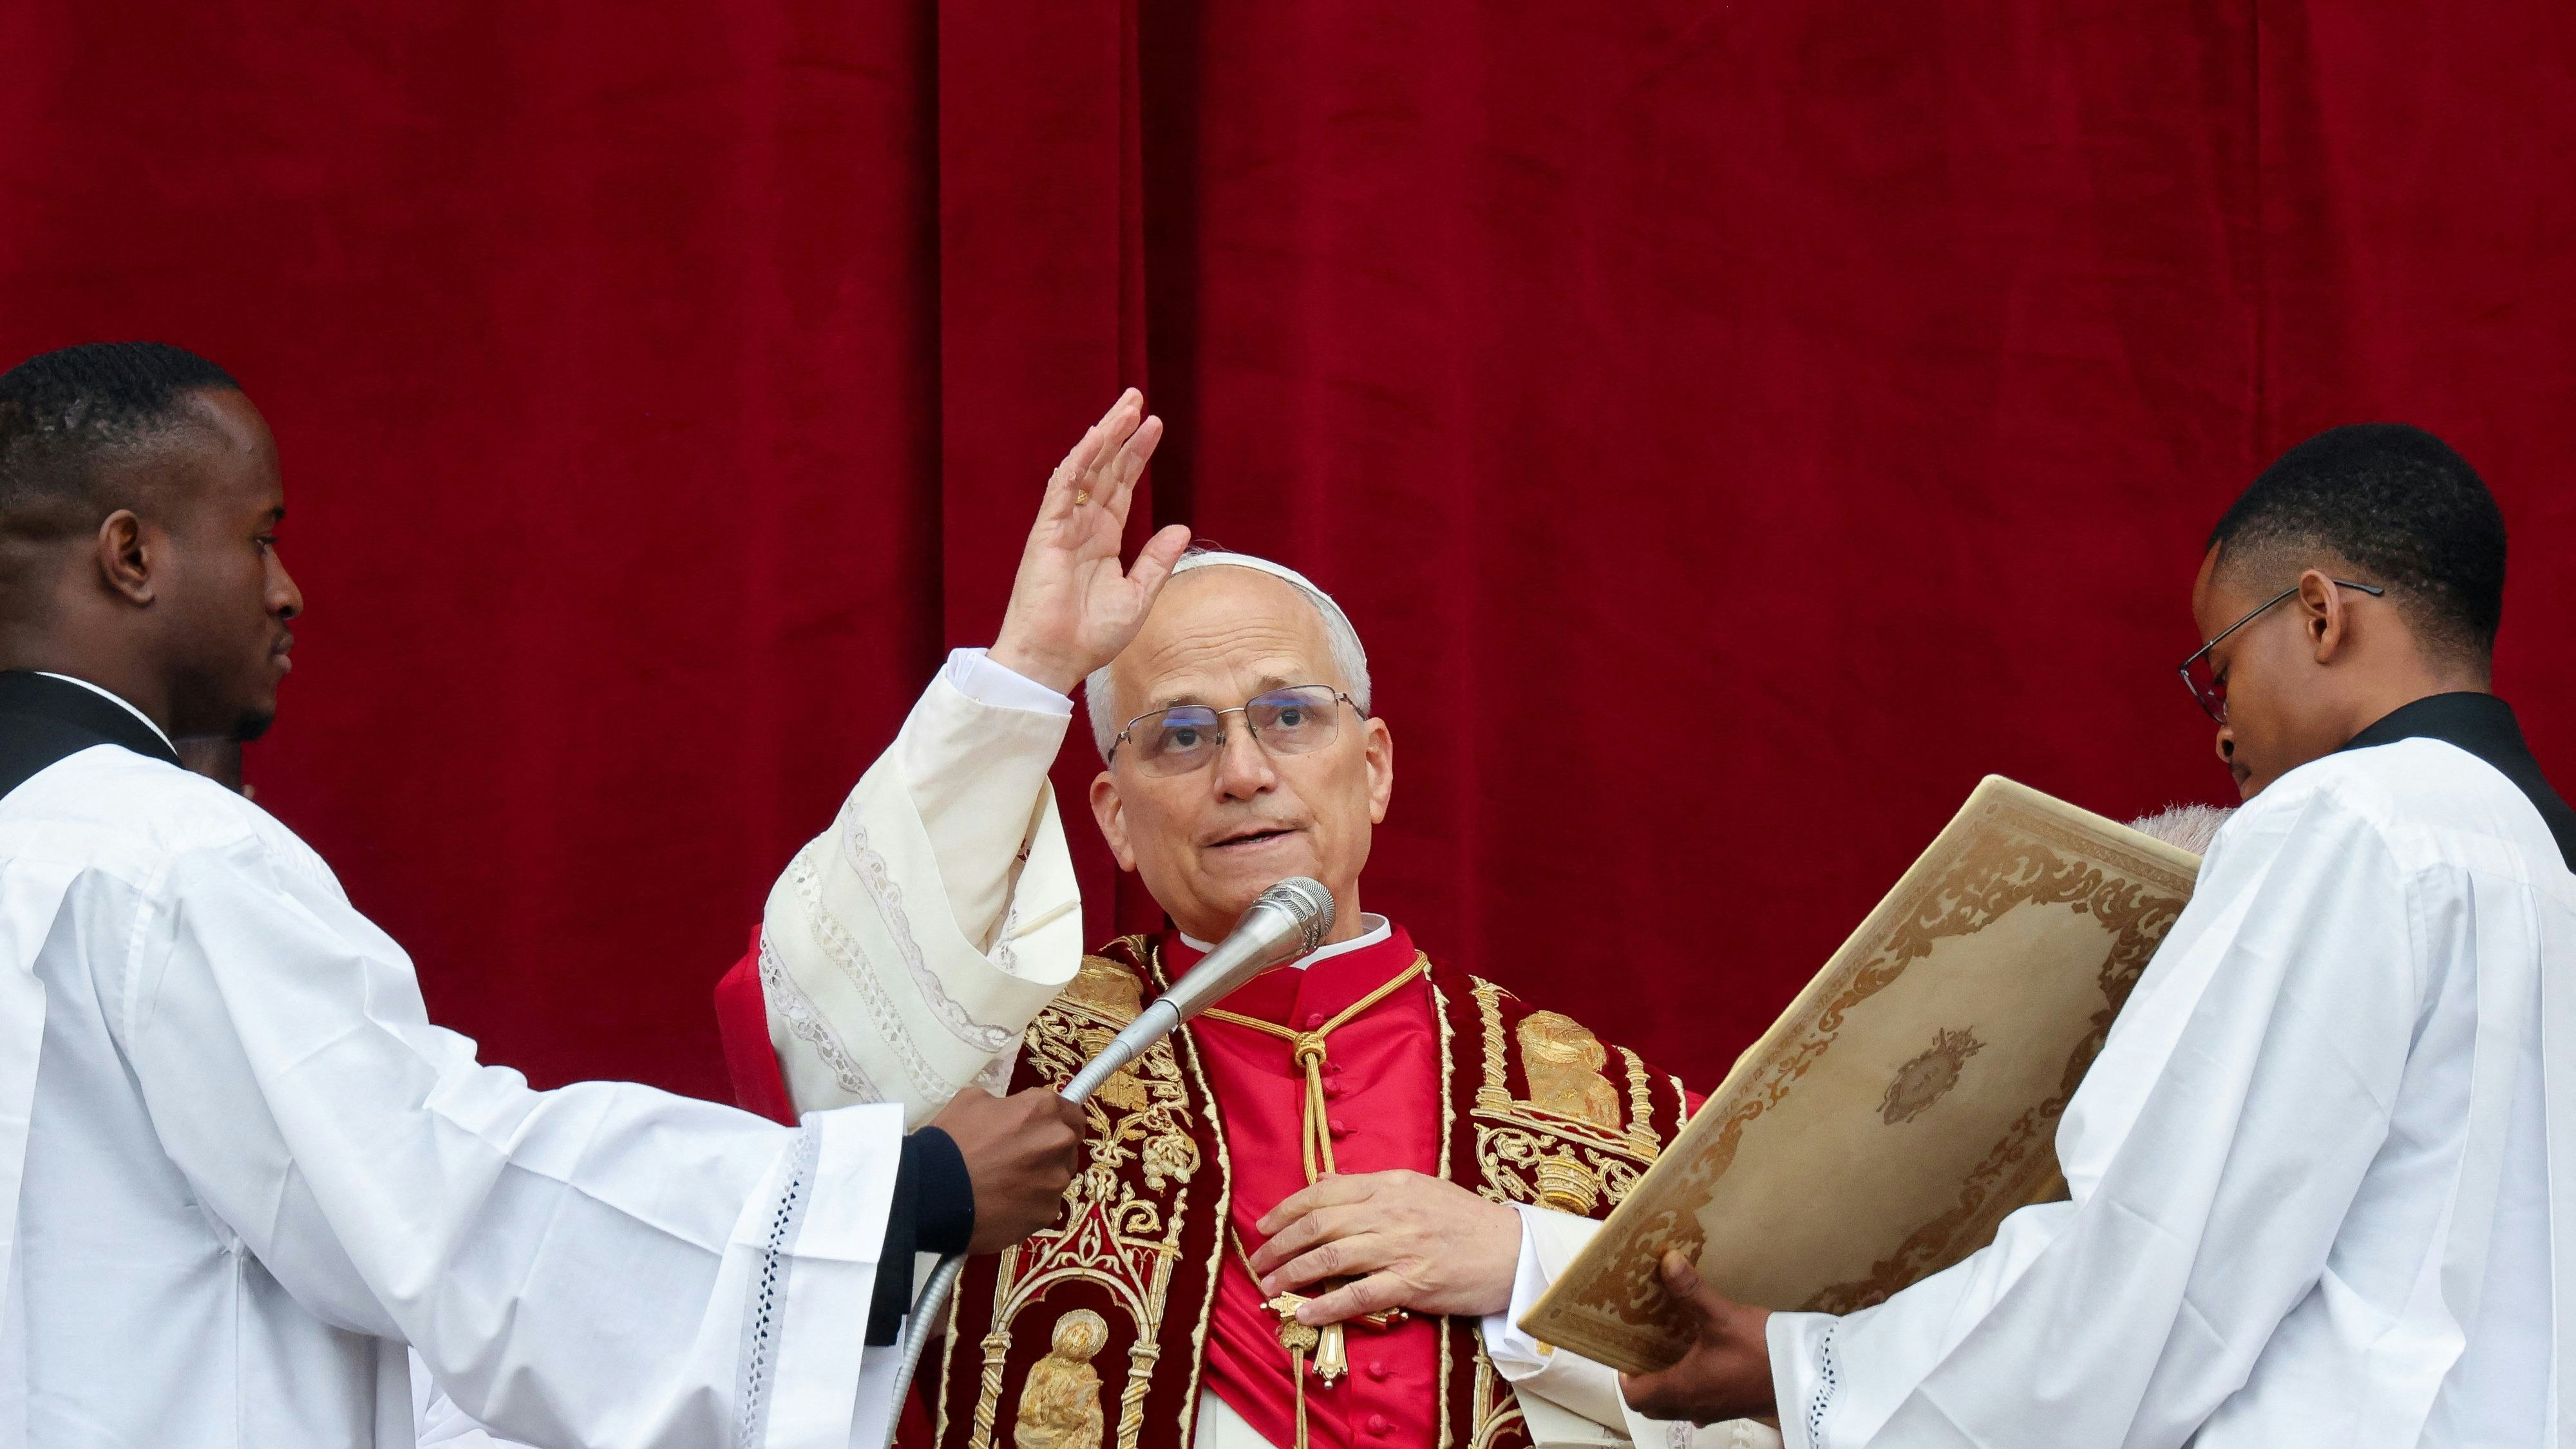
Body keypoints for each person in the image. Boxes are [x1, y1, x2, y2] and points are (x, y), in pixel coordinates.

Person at [0, 341, 1088, 1449]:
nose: (288, 591)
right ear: (131, 554)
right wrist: (899, 1197)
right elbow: (447, 1203)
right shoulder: (161, 857)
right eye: (261, 538)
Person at [714, 390, 1774, 1449]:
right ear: (1116, 819)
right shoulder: (1012, 1074)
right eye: (1180, 734)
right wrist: (1030, 668)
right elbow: (823, 1024)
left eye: (1291, 716)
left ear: (1375, 769)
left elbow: (1795, 1381)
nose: (1245, 772)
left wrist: (1526, 1265)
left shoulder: (1608, 1107)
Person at [1618, 424, 2576, 1446]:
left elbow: (2157, 1266)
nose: (2220, 726)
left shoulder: (2345, 820)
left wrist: (1809, 1365)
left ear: (2317, 613)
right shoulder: (2543, 861)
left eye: (2221, 668)